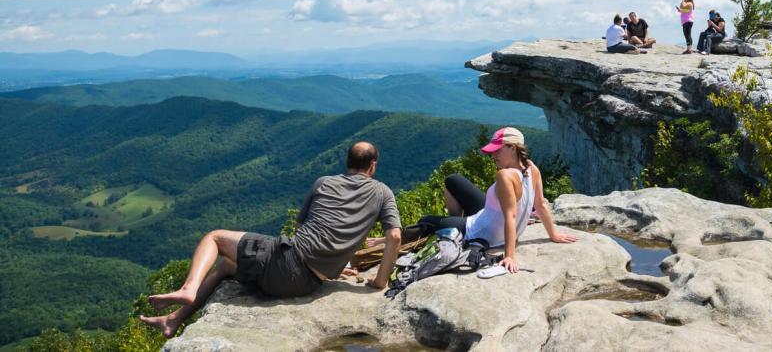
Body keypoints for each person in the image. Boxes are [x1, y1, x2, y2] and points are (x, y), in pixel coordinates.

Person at [140, 142, 402, 338]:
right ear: (373, 165)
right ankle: (173, 320)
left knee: (215, 238)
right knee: (227, 266)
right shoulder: (383, 192)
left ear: (347, 162)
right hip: (306, 283)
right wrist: (378, 280)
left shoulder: (324, 183)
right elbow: (395, 235)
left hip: (286, 263)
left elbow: (301, 227)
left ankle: (189, 288)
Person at [416, 128, 577, 273]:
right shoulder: (532, 168)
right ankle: (457, 222)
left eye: (497, 150)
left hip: (482, 232)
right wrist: (553, 234)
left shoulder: (505, 175)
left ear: (512, 148)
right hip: (489, 217)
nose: (493, 155)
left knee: (426, 221)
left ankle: (458, 230)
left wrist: (509, 256)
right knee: (453, 180)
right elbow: (540, 204)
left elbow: (511, 216)